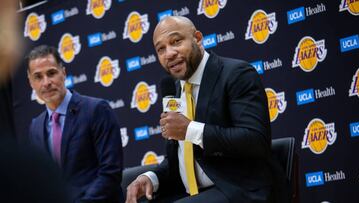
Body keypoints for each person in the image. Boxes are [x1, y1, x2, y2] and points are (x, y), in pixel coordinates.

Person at [126, 16, 288, 203]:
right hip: (196, 194)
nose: (169, 53)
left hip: (240, 190)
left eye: (176, 41)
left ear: (197, 38)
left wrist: (190, 129)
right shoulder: (175, 88)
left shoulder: (237, 74)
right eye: (161, 49)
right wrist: (150, 179)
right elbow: (180, 160)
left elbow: (255, 140)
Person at [27, 45, 124, 203]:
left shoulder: (96, 110)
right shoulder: (35, 127)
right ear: (31, 82)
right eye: (38, 77)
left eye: (51, 73)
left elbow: (110, 172)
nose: (46, 82)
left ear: (63, 73)